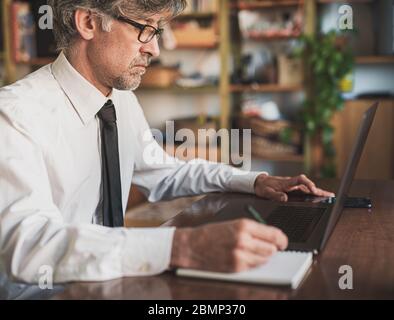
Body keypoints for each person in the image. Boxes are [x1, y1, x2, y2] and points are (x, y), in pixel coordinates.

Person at [0, 0, 334, 284]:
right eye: (143, 28)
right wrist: (182, 246)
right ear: (88, 22)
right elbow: (29, 244)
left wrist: (254, 181)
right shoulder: (15, 114)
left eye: (157, 30)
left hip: (113, 282)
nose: (155, 49)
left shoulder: (120, 99)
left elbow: (163, 171)